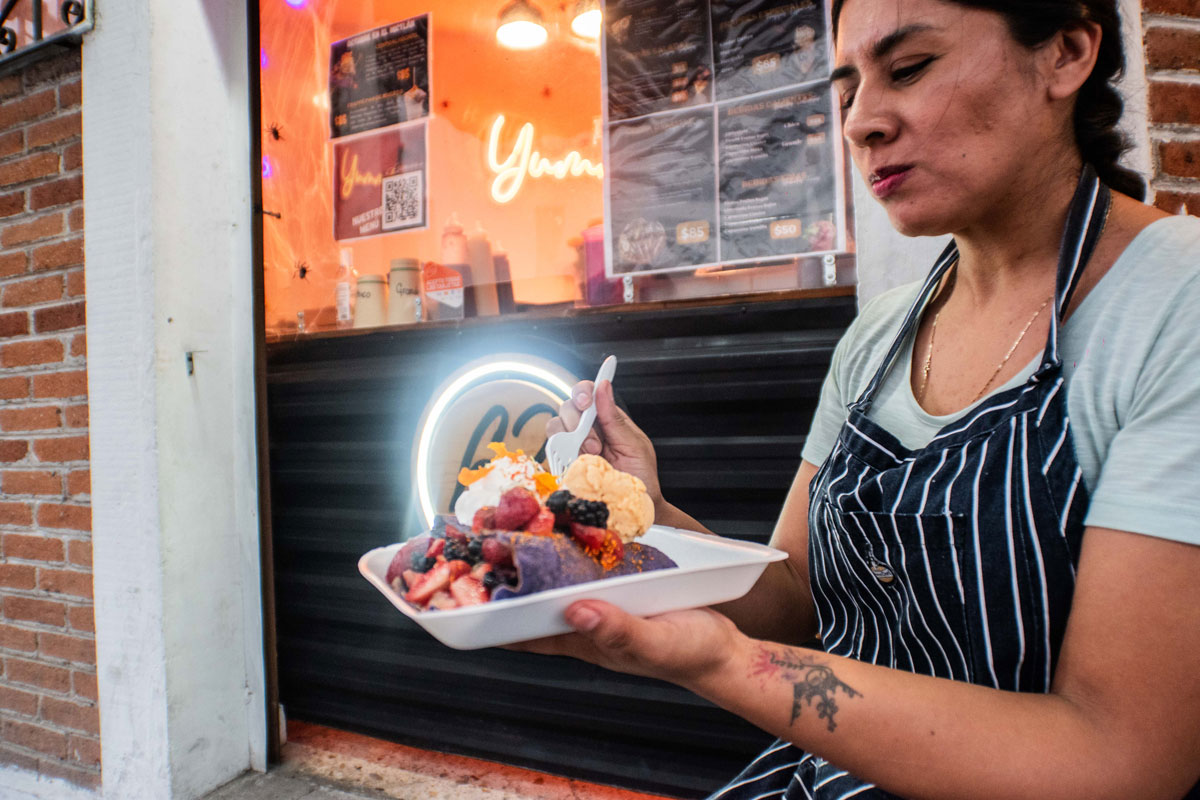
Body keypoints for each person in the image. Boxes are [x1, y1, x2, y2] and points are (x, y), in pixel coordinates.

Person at [530, 1, 1200, 798]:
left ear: (1066, 52)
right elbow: (796, 601)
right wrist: (653, 522)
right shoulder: (881, 335)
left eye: (909, 68)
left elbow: (1122, 758)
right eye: (848, 89)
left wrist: (722, 663)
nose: (860, 124)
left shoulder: (1174, 303)